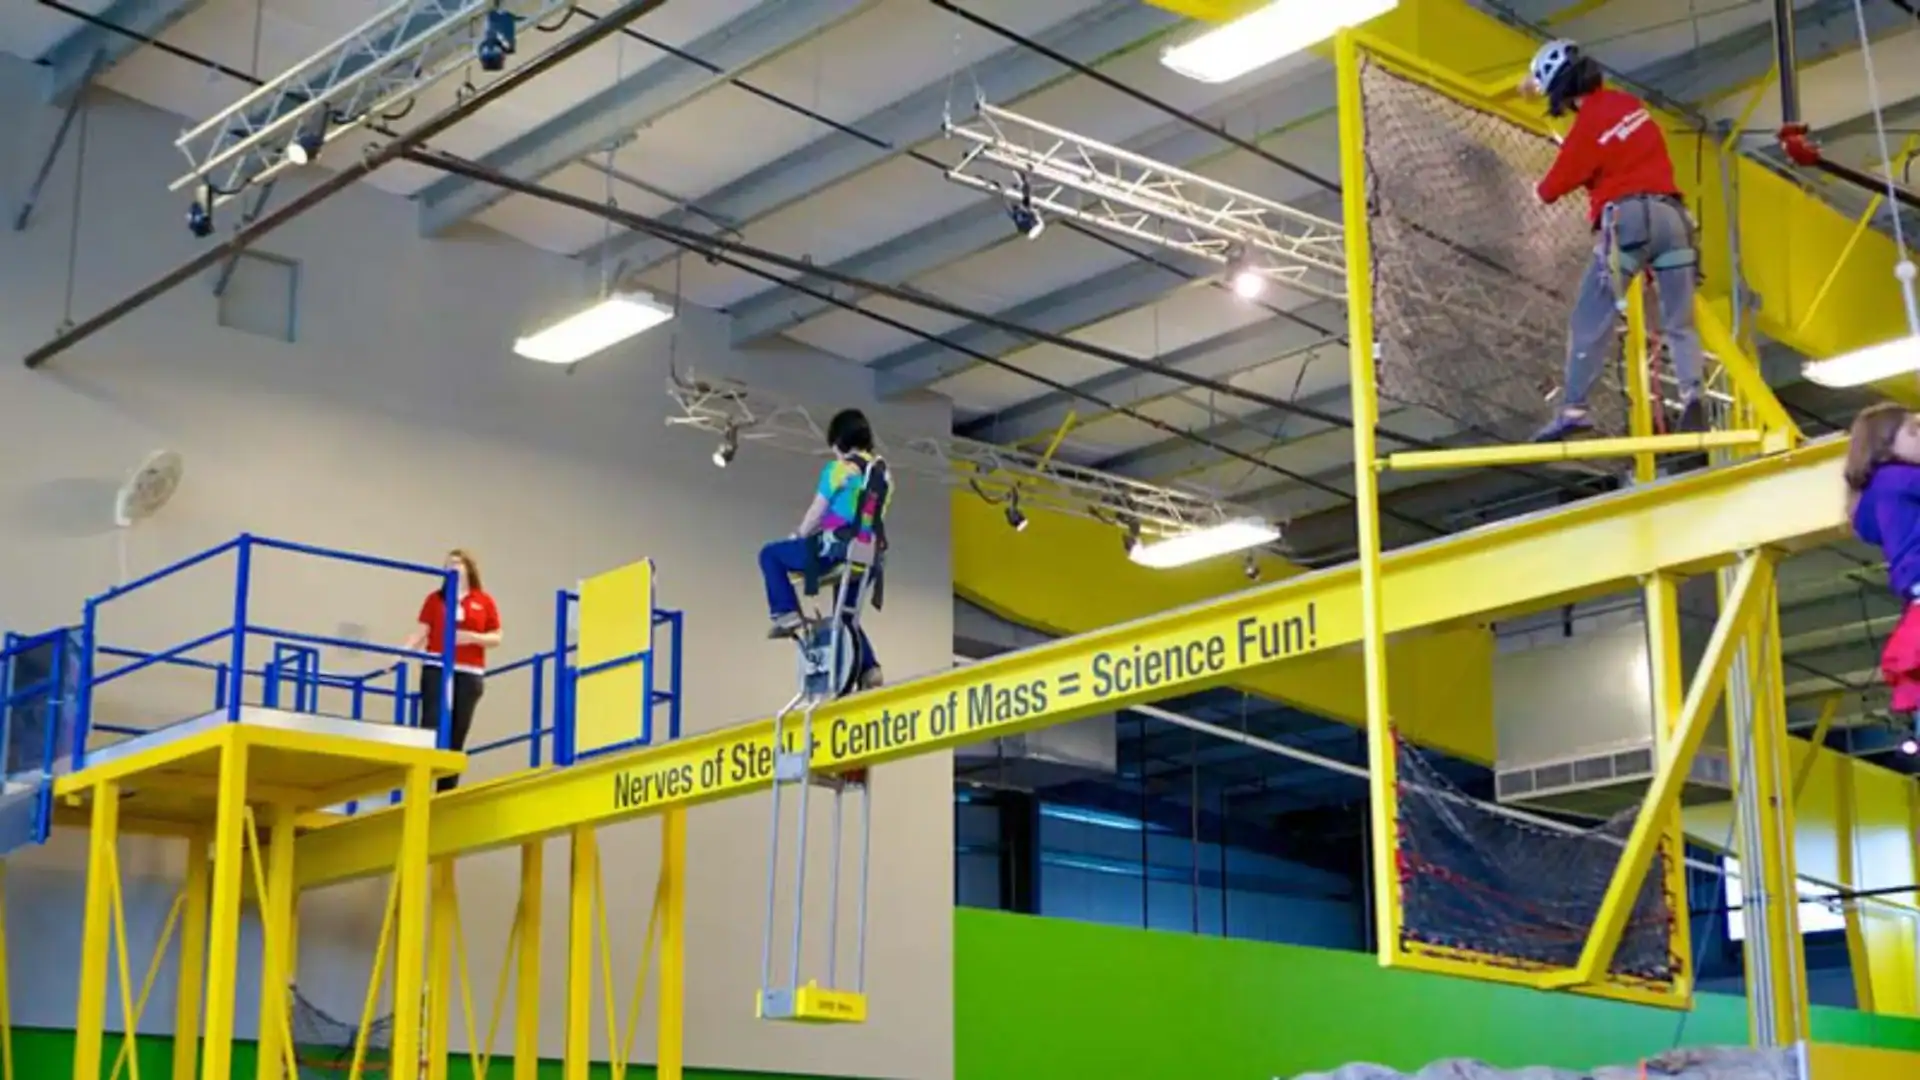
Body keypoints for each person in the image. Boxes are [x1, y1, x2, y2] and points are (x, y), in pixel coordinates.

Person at [1523, 38, 1706, 443]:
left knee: (1591, 315)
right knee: (1679, 319)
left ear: (1559, 91)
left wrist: (1539, 186)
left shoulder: (1585, 129)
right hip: (1673, 220)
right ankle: (1694, 393)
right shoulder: (1629, 104)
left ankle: (1573, 408)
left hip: (1628, 223)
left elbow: (1550, 190)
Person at [757, 408, 889, 688]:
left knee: (770, 555)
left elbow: (817, 512)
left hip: (835, 550)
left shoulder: (838, 470)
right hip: (869, 556)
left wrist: (798, 535)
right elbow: (862, 517)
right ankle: (869, 669)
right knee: (845, 619)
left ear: (839, 441)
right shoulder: (883, 476)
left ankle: (786, 613)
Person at [403, 548, 502, 790]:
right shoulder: (435, 599)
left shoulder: (483, 601)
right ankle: (421, 782)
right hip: (437, 665)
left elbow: (496, 637)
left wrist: (472, 637)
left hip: (469, 671)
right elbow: (421, 632)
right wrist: (401, 654)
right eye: (448, 563)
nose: (452, 567)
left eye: (457, 562)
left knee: (458, 729)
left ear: (468, 568)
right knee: (432, 722)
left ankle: (446, 790)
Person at [1847, 404, 1920, 724]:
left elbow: (1868, 529)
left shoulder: (1875, 495)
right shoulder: (1901, 479)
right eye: (1914, 431)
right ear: (1886, 443)